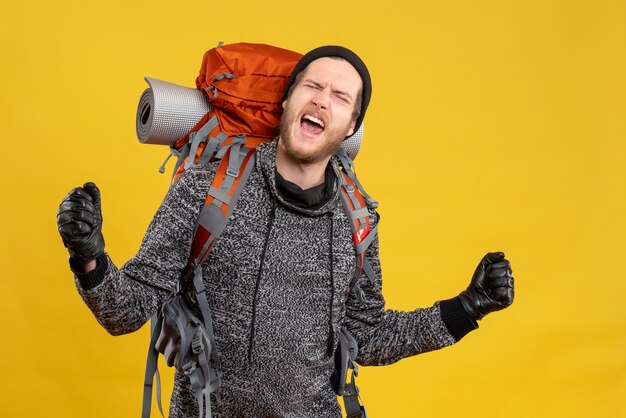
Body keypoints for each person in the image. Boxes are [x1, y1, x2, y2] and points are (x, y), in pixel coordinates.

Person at [57, 46, 515, 418]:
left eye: (339, 96)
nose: (321, 100)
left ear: (351, 125)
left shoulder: (357, 222)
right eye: (312, 86)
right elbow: (126, 311)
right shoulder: (207, 191)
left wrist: (465, 308)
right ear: (287, 102)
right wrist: (89, 254)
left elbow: (367, 337)